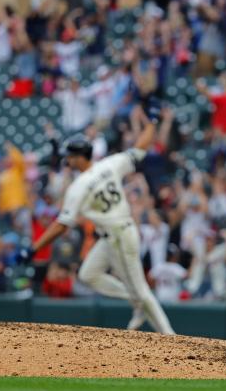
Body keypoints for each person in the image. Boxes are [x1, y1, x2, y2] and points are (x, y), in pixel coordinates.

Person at [32, 111, 175, 335]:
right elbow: (140, 148)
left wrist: (34, 248)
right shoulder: (110, 163)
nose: (67, 160)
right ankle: (134, 300)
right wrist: (153, 124)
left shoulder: (78, 187)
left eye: (70, 156)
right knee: (88, 274)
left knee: (142, 291)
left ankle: (170, 336)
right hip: (113, 236)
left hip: (119, 235)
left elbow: (62, 224)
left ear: (80, 157)